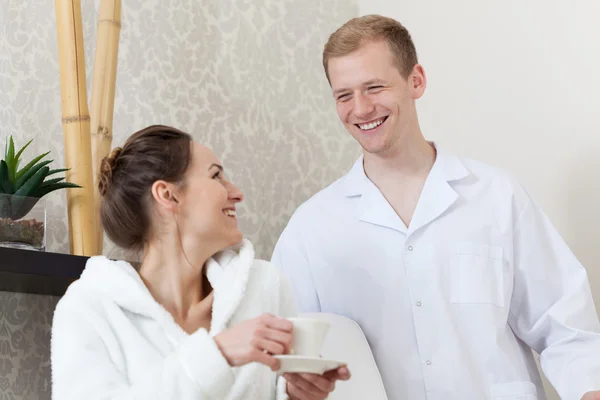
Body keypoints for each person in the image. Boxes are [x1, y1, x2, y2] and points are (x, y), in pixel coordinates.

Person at [272, 15, 600, 400]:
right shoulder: (311, 227)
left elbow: (566, 327)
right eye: (344, 95)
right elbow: (286, 358)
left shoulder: (495, 195)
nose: (360, 108)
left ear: (417, 81)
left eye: (374, 87)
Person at [50, 125, 349, 400]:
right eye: (216, 175)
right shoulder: (89, 309)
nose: (237, 193)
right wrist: (216, 355)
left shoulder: (265, 286)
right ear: (168, 195)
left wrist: (297, 394)